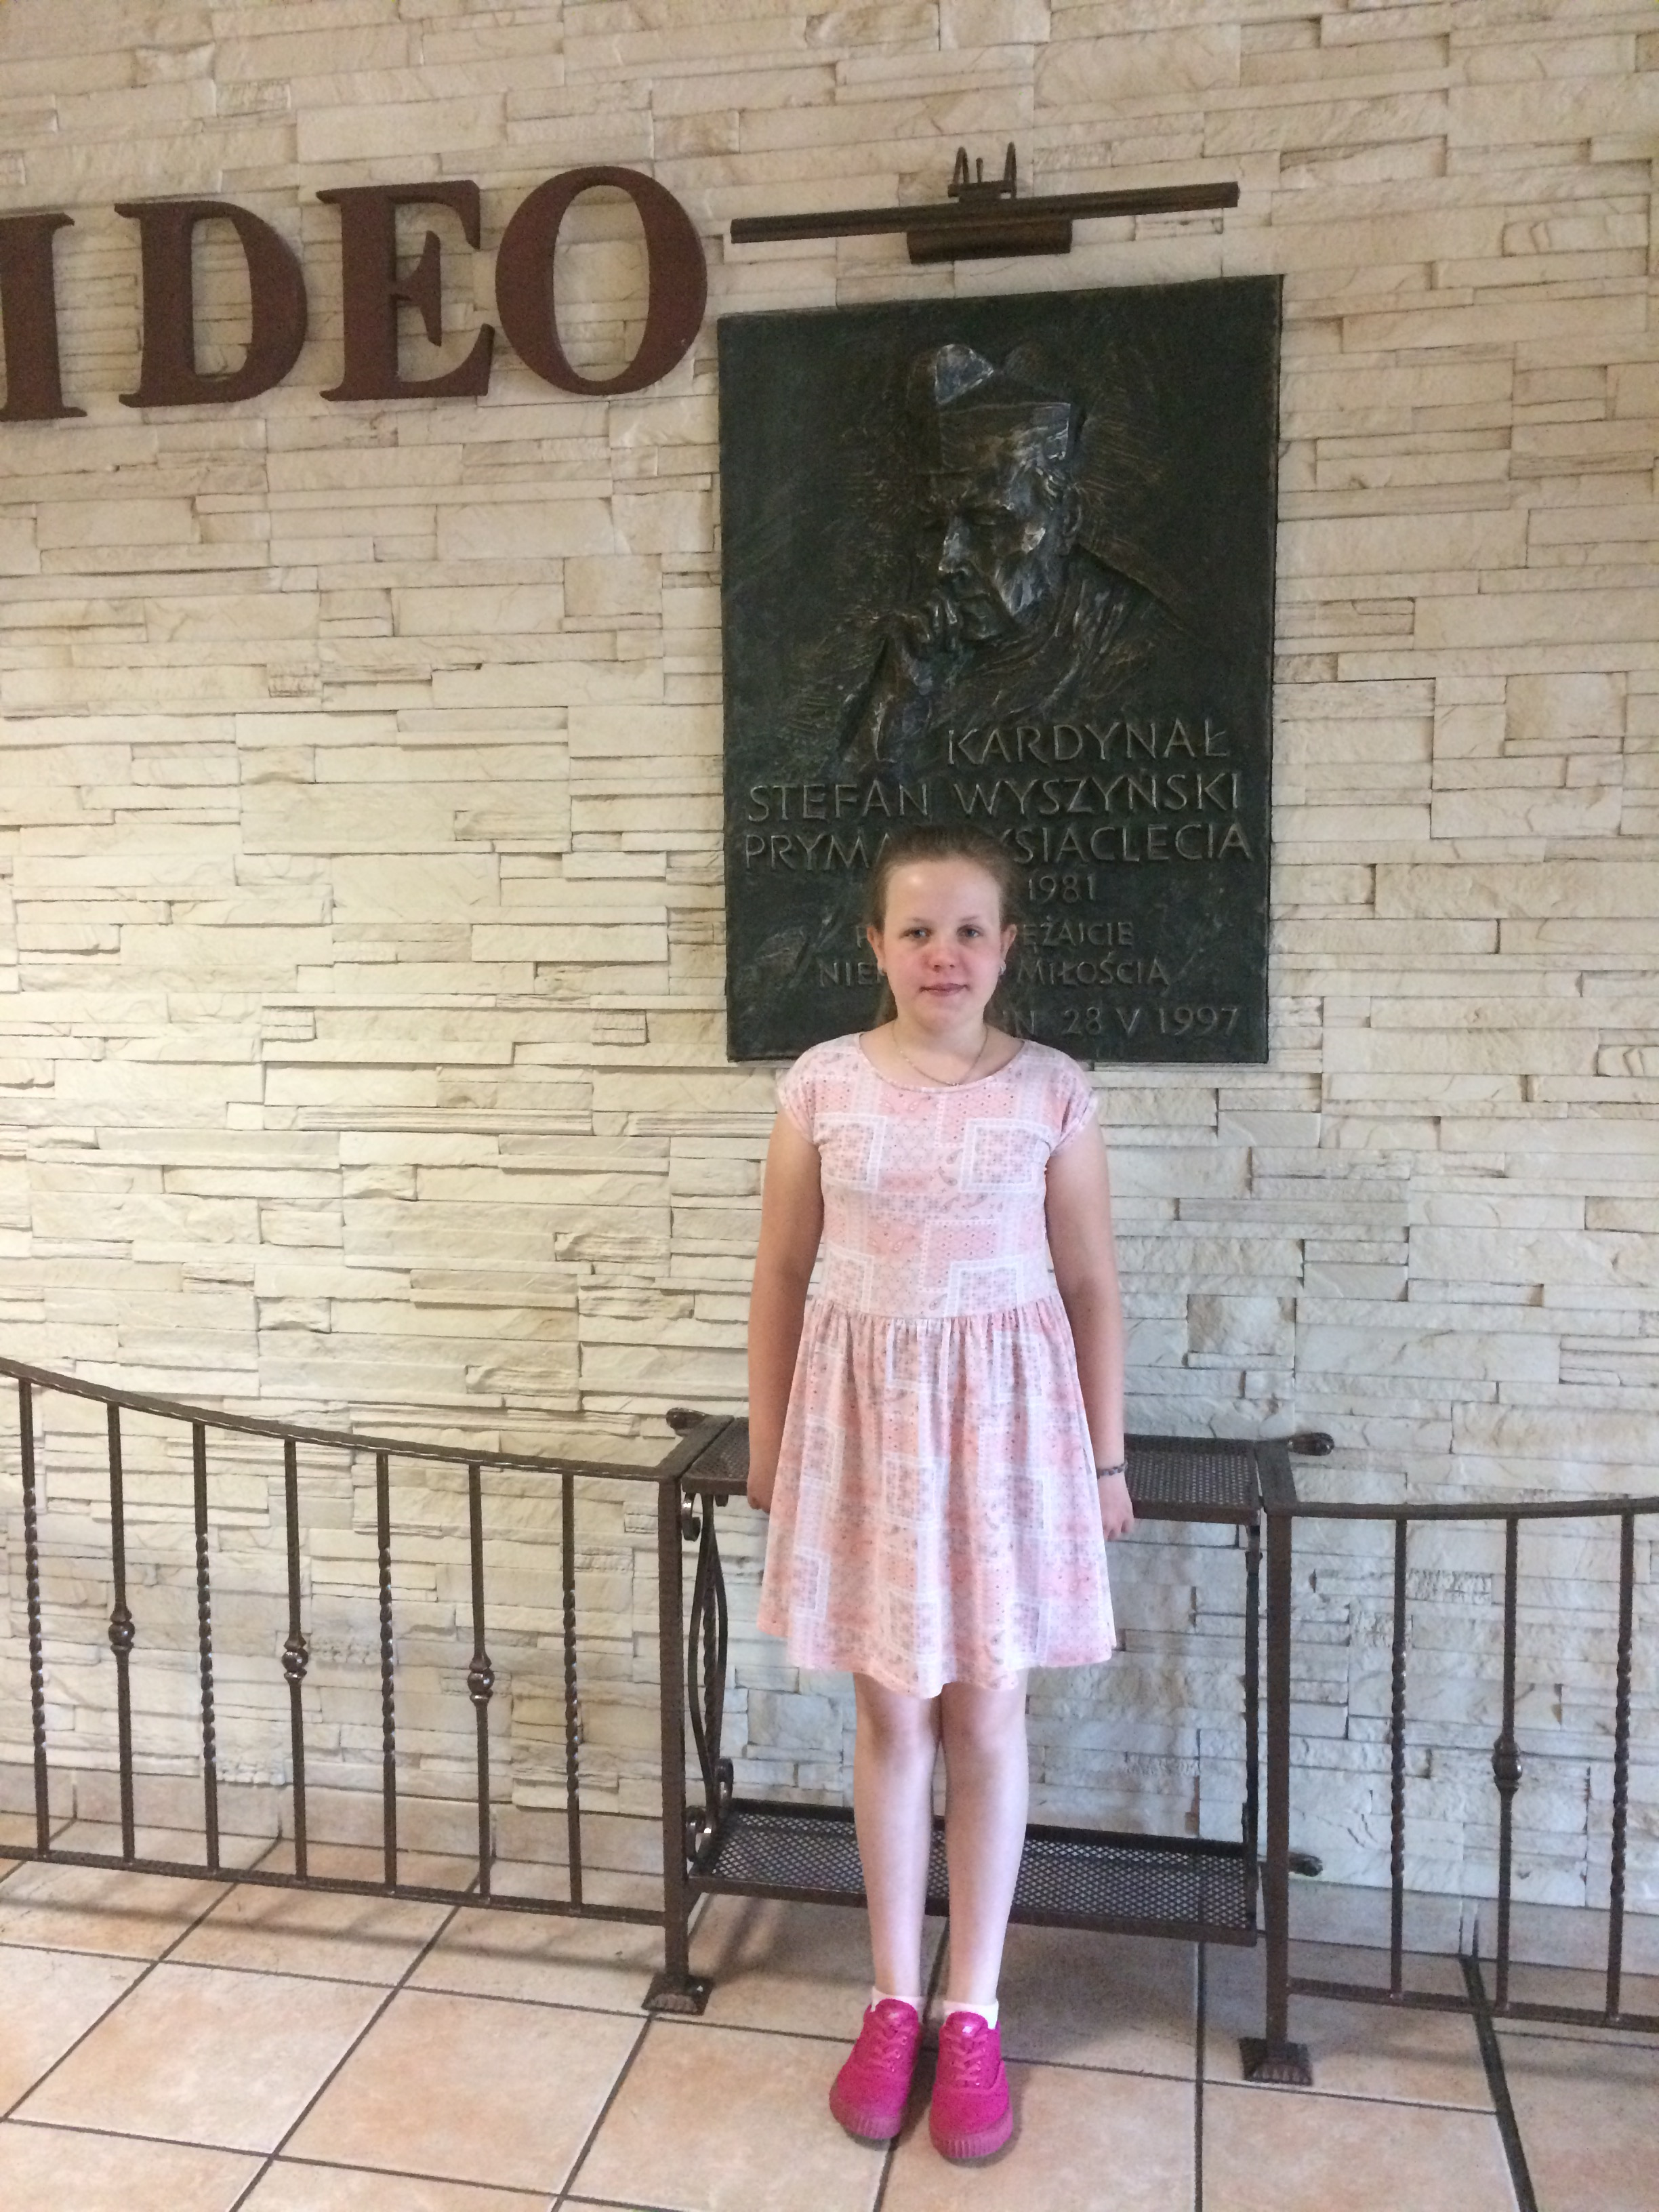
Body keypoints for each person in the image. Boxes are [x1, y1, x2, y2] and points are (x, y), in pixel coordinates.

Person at [745, 821, 1134, 2161]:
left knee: (987, 1709)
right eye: (916, 929)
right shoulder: (821, 1085)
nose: (943, 953)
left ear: (1006, 945)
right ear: (876, 944)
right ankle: (891, 1996)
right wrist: (770, 1440)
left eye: (969, 928)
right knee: (890, 1711)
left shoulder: (1052, 1092)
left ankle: (973, 2005)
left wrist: (1105, 1461)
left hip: (1009, 1437)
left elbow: (1088, 1283)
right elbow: (781, 1272)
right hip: (863, 1434)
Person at [842, 342, 1178, 779]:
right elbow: (851, 806)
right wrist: (898, 704)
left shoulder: (1143, 651)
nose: (946, 563)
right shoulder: (922, 655)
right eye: (933, 527)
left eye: (986, 524)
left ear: (1067, 522)